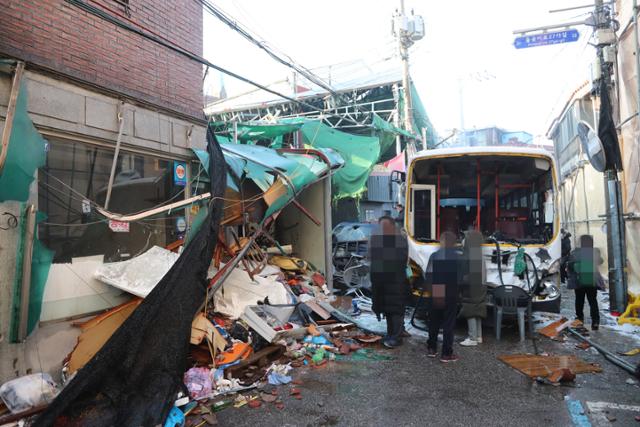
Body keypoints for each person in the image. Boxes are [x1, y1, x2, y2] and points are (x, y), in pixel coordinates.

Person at [369, 216, 409, 348]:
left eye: (385, 226)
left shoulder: (400, 240)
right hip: (382, 283)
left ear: (392, 226)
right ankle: (390, 334)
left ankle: (397, 337)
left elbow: (400, 260)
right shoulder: (378, 241)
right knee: (387, 309)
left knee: (395, 310)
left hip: (396, 282)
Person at [425, 231, 462, 362]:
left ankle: (431, 348)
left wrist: (430, 291)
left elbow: (428, 275)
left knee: (433, 321)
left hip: (436, 290)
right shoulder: (458, 257)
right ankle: (446, 353)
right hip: (451, 291)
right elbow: (461, 277)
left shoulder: (434, 256)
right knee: (448, 323)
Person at [567, 235, 604, 330]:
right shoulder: (595, 252)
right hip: (591, 280)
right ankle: (595, 322)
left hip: (579, 281)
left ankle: (579, 319)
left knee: (579, 300)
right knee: (593, 301)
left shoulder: (575, 252)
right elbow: (600, 261)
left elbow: (570, 265)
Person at [459, 230, 487, 347]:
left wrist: (461, 282)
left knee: (470, 310)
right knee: (478, 310)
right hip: (481, 286)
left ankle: (472, 338)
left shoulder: (470, 254)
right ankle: (479, 336)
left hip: (471, 287)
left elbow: (467, 274)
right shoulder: (479, 253)